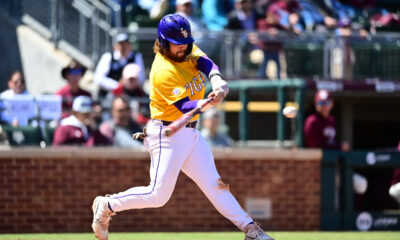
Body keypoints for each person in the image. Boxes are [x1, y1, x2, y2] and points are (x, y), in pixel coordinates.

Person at [91, 14, 274, 240]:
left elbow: (206, 62)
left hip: (191, 132)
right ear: (164, 43)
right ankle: (107, 204)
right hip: (168, 133)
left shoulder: (188, 49)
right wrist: (208, 101)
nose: (184, 47)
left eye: (186, 42)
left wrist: (216, 80)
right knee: (158, 195)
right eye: (178, 44)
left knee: (215, 185)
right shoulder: (162, 71)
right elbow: (183, 106)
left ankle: (251, 230)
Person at [94, 32, 145, 99]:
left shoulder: (136, 56)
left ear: (130, 45)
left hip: (131, 95)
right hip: (110, 95)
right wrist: (118, 86)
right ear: (115, 46)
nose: (123, 47)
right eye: (121, 44)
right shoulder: (108, 56)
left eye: (125, 44)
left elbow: (141, 78)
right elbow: (98, 78)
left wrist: (128, 85)